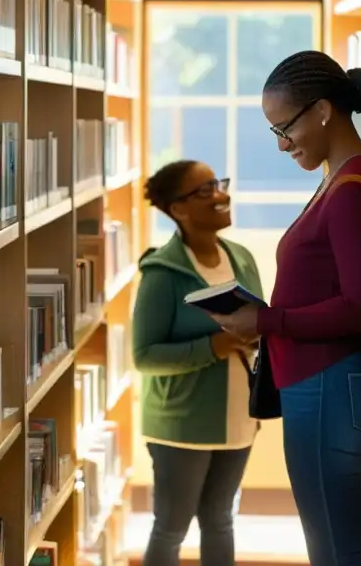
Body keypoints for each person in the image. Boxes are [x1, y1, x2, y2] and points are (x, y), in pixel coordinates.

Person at [210, 50, 361, 566]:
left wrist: (265, 320)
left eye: (285, 127)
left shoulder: (350, 189)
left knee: (338, 550)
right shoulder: (341, 179)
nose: (281, 144)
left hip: (330, 386)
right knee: (331, 547)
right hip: (321, 385)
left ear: (321, 111)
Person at [132, 160, 263, 566]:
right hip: (181, 423)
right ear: (178, 209)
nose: (221, 195)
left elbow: (257, 327)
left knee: (221, 521)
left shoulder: (241, 258)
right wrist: (215, 346)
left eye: (218, 185)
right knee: (171, 527)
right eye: (204, 191)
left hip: (239, 417)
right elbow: (144, 357)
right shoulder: (162, 273)